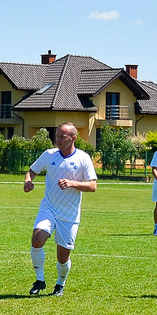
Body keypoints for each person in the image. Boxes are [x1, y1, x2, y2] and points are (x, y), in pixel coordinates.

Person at [24, 122, 97, 296]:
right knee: (37, 239)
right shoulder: (49, 155)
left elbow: (93, 186)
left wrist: (73, 183)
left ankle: (60, 284)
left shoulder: (83, 158)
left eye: (62, 137)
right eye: (57, 136)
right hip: (48, 208)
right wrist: (28, 181)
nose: (58, 140)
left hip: (69, 214)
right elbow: (32, 171)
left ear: (74, 138)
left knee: (62, 257)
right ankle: (40, 280)